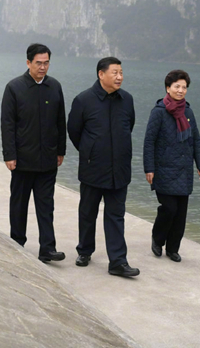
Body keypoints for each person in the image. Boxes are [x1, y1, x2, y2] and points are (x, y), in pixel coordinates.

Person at [67, 56, 139, 277]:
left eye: (121, 73)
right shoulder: (83, 100)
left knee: (116, 215)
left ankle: (118, 261)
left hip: (119, 169)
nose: (120, 77)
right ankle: (84, 251)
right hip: (93, 168)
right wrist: (90, 151)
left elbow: (129, 126)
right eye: (115, 72)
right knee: (88, 212)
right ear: (101, 74)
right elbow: (74, 131)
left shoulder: (127, 100)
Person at [0, 43, 66, 263]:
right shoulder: (14, 87)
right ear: (28, 63)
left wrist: (60, 150)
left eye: (46, 63)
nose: (43, 67)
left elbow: (60, 121)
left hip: (48, 160)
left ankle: (48, 248)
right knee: (19, 204)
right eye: (38, 63)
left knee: (46, 206)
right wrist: (9, 154)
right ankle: (16, 243)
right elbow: (7, 124)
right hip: (22, 160)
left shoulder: (54, 86)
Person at [143, 69, 200, 262]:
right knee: (169, 208)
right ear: (168, 88)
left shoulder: (188, 111)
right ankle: (157, 238)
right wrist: (149, 168)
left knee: (180, 214)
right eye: (177, 86)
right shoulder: (159, 112)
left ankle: (173, 249)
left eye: (184, 87)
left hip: (184, 170)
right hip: (164, 169)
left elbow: (196, 139)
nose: (180, 90)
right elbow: (149, 142)